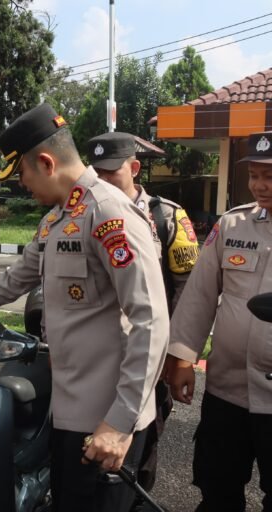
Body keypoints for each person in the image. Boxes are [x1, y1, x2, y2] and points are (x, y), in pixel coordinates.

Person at [0, 104, 170, 512]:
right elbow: (9, 282)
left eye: (22, 173)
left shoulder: (109, 213)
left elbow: (150, 320)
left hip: (104, 415)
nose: (22, 184)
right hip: (65, 407)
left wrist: (119, 423)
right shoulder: (57, 219)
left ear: (46, 163)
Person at [87, 131, 200, 506]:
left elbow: (187, 290)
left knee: (143, 439)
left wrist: (177, 354)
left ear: (134, 168)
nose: (103, 181)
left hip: (148, 353)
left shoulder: (166, 216)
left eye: (112, 172)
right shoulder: (82, 211)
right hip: (97, 355)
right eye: (97, 173)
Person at [164, 130, 272, 512]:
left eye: (269, 176)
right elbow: (200, 295)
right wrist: (182, 357)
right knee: (217, 488)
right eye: (254, 175)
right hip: (227, 389)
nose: (259, 185)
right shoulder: (232, 225)